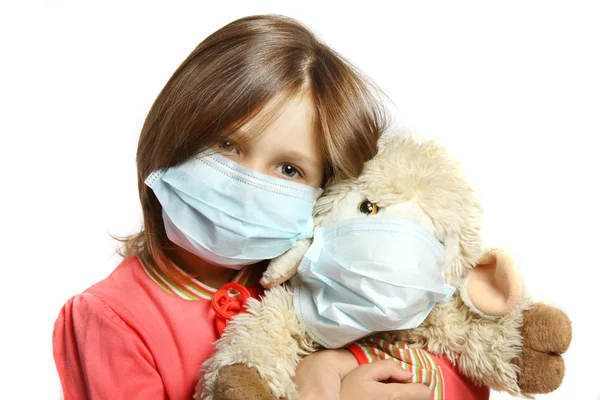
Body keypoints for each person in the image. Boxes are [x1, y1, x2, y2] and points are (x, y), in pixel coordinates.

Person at [52, 14, 433, 400]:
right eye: (226, 145)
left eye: (289, 169)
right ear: (173, 133)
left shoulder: (327, 277)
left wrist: (336, 365)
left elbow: (447, 361)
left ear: (328, 188)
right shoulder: (112, 317)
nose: (246, 187)